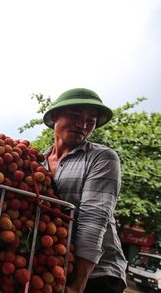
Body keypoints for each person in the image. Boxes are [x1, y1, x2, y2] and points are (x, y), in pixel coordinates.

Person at [42, 88, 127, 293]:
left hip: (97, 275)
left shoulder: (102, 157)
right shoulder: (37, 162)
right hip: (55, 270)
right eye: (75, 116)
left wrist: (78, 285)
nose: (83, 125)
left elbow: (94, 218)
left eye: (91, 121)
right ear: (55, 117)